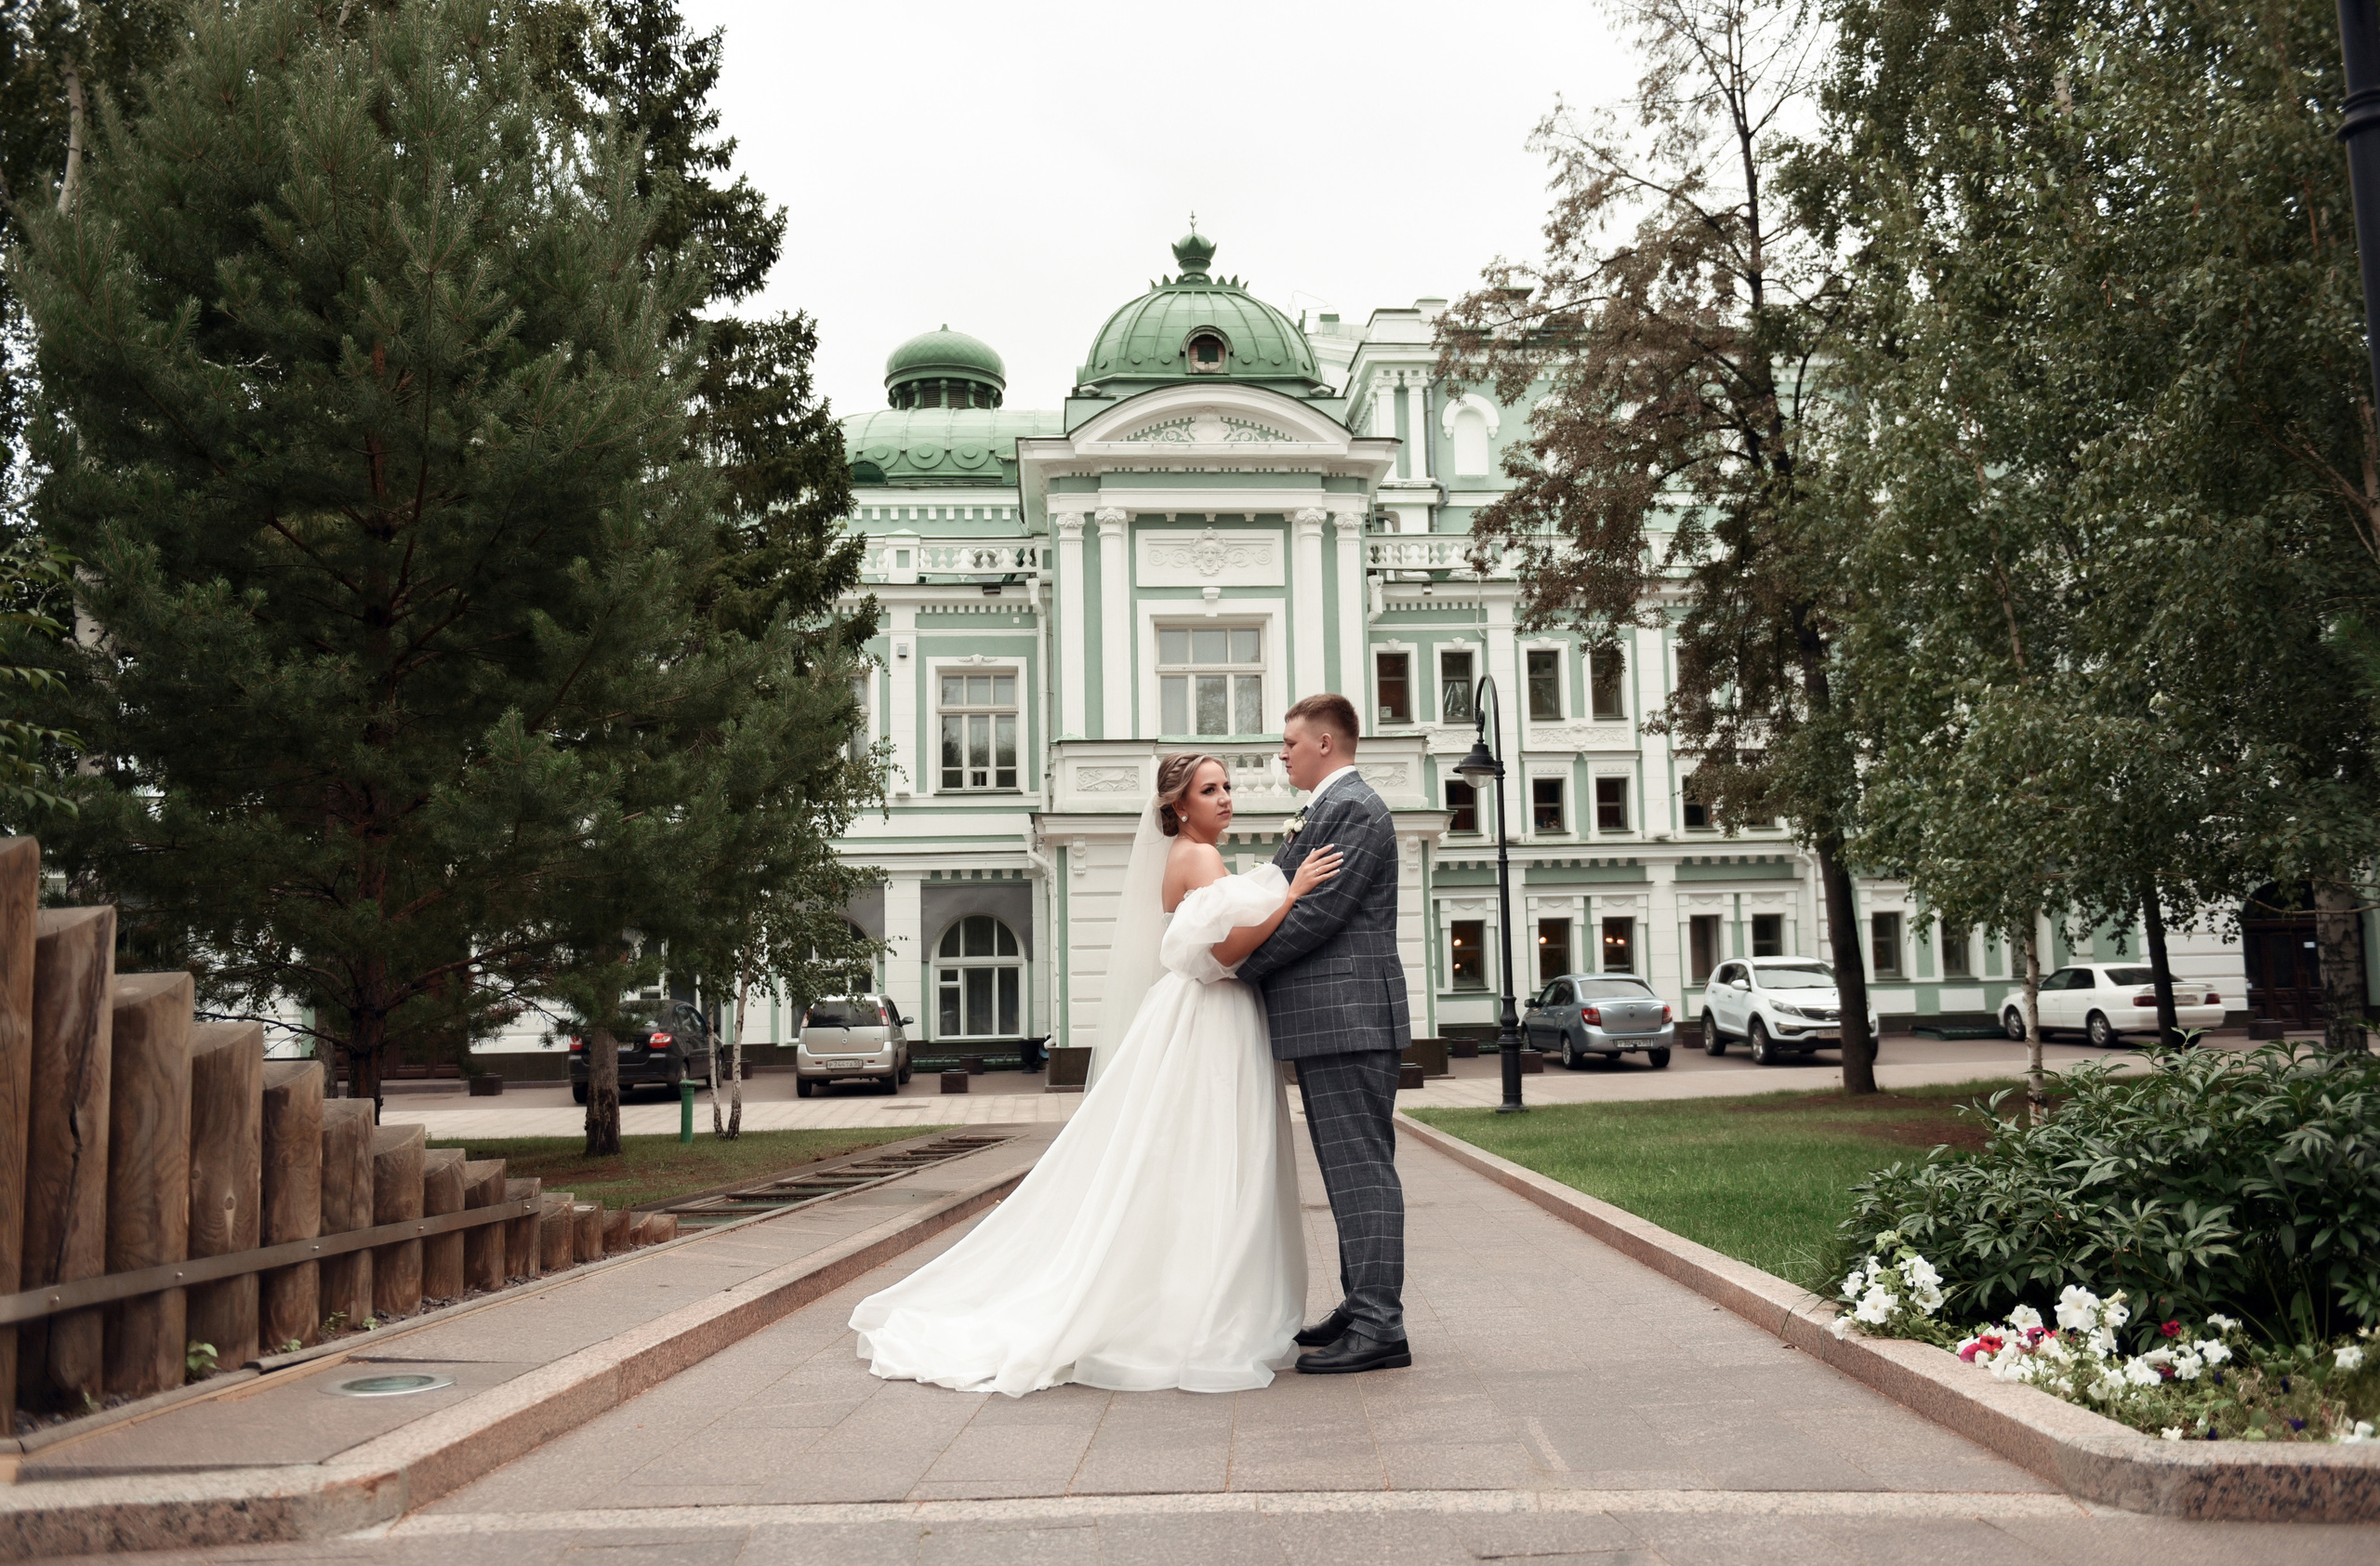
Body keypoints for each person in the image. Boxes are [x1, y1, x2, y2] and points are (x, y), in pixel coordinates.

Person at [846, 752, 1343, 1396]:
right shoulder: (1197, 857)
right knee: (1212, 1154)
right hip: (1212, 1015)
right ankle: (1205, 1304)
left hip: (1202, 1014)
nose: (1226, 798)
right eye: (1210, 790)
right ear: (1178, 807)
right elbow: (1224, 951)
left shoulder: (1194, 858)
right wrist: (1294, 893)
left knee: (1182, 1156)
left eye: (1226, 787)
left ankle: (1196, 1292)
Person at [1236, 692, 1413, 1374]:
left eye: (1289, 742)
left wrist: (1236, 967)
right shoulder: (1334, 808)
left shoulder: (1352, 809)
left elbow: (1316, 916)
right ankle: (1362, 1302)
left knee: (1361, 1170)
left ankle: (1379, 1324)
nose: (1281, 753)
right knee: (1348, 1172)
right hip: (1334, 1020)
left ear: (1325, 745)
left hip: (1348, 1019)